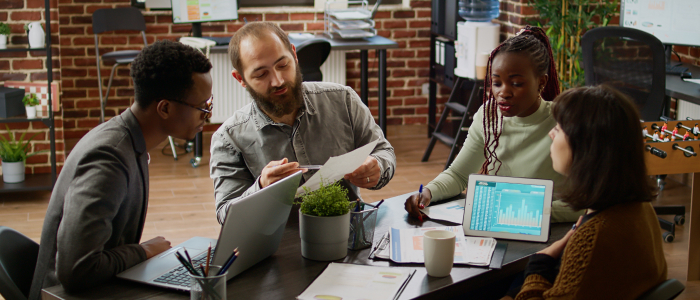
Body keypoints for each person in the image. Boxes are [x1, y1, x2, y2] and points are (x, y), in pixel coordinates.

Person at [28, 40, 213, 298]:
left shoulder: (130, 141)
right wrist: (144, 251)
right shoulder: (109, 158)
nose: (208, 116)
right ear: (165, 108)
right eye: (204, 108)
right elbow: (76, 270)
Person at [210, 22, 395, 224]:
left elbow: (383, 151)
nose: (278, 80)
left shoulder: (343, 100)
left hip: (347, 232)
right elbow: (225, 215)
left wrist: (377, 166)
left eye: (283, 65)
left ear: (294, 56)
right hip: (276, 243)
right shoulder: (228, 138)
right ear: (240, 79)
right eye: (261, 74)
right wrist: (261, 188)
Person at [404, 26, 582, 222]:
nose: (503, 93)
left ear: (541, 82)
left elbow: (586, 203)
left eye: (516, 83)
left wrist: (527, 214)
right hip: (500, 226)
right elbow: (458, 175)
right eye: (497, 83)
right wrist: (428, 192)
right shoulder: (488, 116)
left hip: (552, 233)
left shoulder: (564, 122)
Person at [509, 85, 667, 299]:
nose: (551, 134)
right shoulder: (640, 209)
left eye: (559, 128)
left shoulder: (594, 239)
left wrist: (538, 267)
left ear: (586, 147)